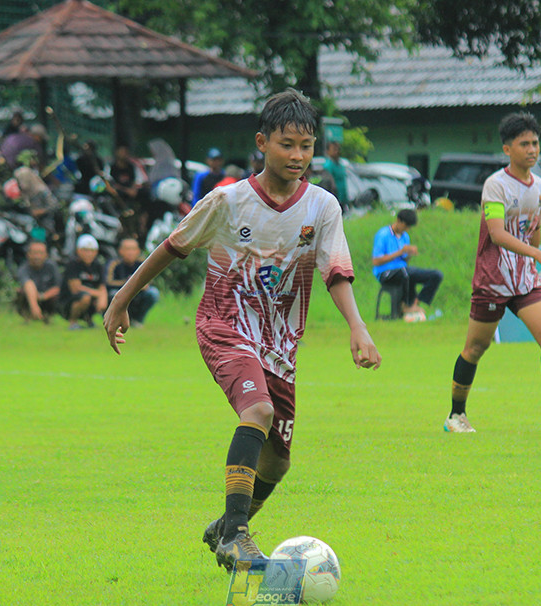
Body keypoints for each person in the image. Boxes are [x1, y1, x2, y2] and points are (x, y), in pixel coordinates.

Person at [103, 89, 381, 571]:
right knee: (257, 408)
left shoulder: (322, 207)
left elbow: (335, 269)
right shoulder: (228, 201)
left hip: (279, 343)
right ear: (262, 143)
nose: (298, 156)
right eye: (287, 144)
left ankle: (225, 525)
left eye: (306, 146)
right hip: (223, 323)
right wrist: (121, 298)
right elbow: (173, 246)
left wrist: (357, 327)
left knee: (278, 461)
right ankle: (236, 537)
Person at [444, 112, 541, 434]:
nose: (532, 149)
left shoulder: (539, 186)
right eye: (524, 144)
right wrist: (538, 253)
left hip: (525, 279)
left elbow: (533, 228)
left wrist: (535, 262)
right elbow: (497, 234)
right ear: (507, 149)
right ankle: (456, 415)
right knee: (475, 348)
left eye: (535, 143)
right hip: (493, 280)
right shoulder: (495, 185)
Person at [371, 208, 443, 321]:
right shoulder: (383, 234)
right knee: (406, 273)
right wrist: (400, 252)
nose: (407, 229)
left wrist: (409, 254)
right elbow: (376, 261)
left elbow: (404, 261)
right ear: (398, 221)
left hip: (402, 269)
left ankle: (416, 303)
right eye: (406, 226)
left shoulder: (405, 236)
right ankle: (405, 307)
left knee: (436, 275)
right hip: (384, 272)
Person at [105, 238, 158, 327]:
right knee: (112, 295)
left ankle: (138, 320)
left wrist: (140, 286)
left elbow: (150, 281)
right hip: (120, 293)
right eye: (127, 249)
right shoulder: (114, 264)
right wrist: (130, 284)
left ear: (138, 251)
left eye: (133, 249)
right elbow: (109, 283)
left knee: (153, 293)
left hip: (139, 293)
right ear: (120, 251)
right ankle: (116, 320)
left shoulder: (143, 263)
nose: (130, 252)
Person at [59, 234, 108, 330]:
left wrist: (104, 297)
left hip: (91, 297)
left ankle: (89, 320)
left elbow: (102, 285)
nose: (89, 254)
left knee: (111, 297)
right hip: (69, 300)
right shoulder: (73, 264)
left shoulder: (98, 265)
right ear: (78, 251)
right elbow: (75, 288)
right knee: (85, 297)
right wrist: (99, 294)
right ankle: (73, 322)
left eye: (92, 251)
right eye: (85, 250)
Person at [15, 240, 61, 323]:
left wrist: (43, 296)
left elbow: (57, 287)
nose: (37, 256)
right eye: (34, 253)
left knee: (56, 295)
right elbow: (28, 284)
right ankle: (27, 315)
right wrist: (34, 305)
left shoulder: (52, 266)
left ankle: (48, 316)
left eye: (40, 253)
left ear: (46, 255)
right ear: (28, 254)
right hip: (30, 298)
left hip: (46, 297)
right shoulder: (23, 268)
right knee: (20, 292)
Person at [323, 141, 348, 208]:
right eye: (334, 150)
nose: (336, 152)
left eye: (338, 149)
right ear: (328, 151)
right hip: (334, 197)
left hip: (342, 195)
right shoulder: (328, 166)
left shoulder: (341, 164)